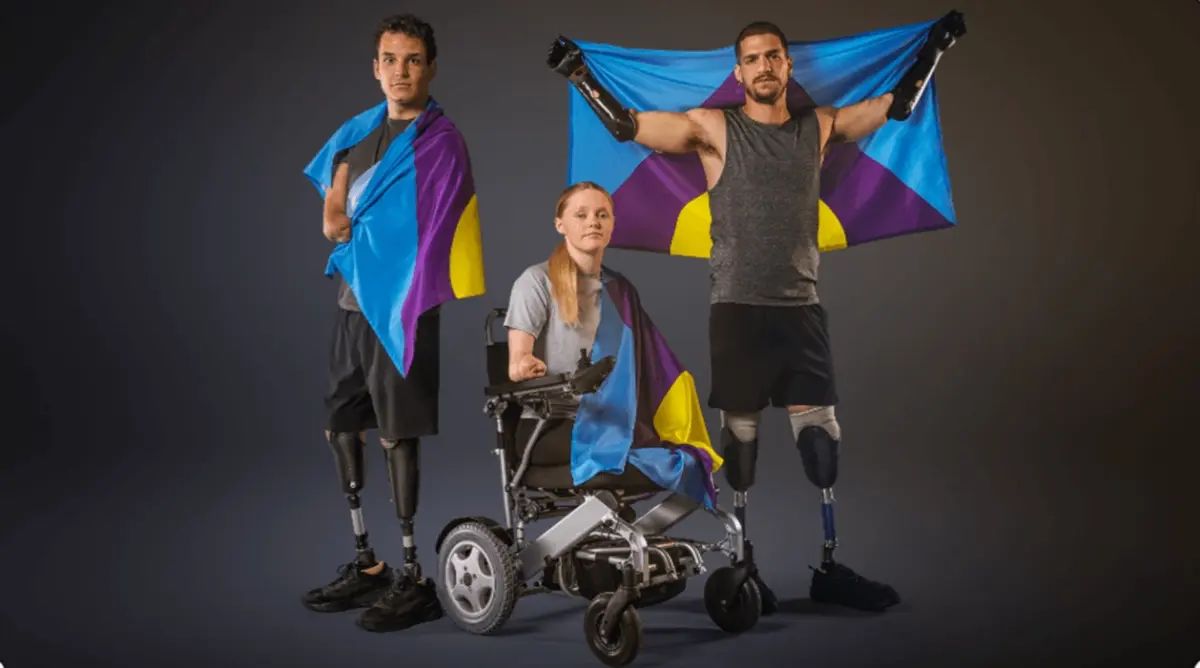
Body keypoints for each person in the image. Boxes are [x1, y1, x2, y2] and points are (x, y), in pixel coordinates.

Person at [547, 14, 965, 611]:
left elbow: (894, 107)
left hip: (801, 308)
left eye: (774, 56)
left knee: (820, 440)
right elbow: (628, 127)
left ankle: (829, 565)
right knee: (740, 444)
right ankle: (745, 568)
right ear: (737, 70)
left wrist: (936, 47)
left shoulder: (817, 127)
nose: (764, 65)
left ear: (787, 67)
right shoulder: (715, 129)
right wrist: (581, 72)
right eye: (752, 58)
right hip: (737, 309)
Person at [301, 13, 456, 632]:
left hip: (402, 308)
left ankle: (414, 576)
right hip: (351, 305)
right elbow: (333, 202)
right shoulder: (358, 132)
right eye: (390, 59)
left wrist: (360, 229)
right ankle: (369, 565)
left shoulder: (441, 140)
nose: (400, 71)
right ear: (376, 68)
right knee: (342, 427)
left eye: (413, 59)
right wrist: (338, 210)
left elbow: (434, 229)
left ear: (430, 68)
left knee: (397, 435)